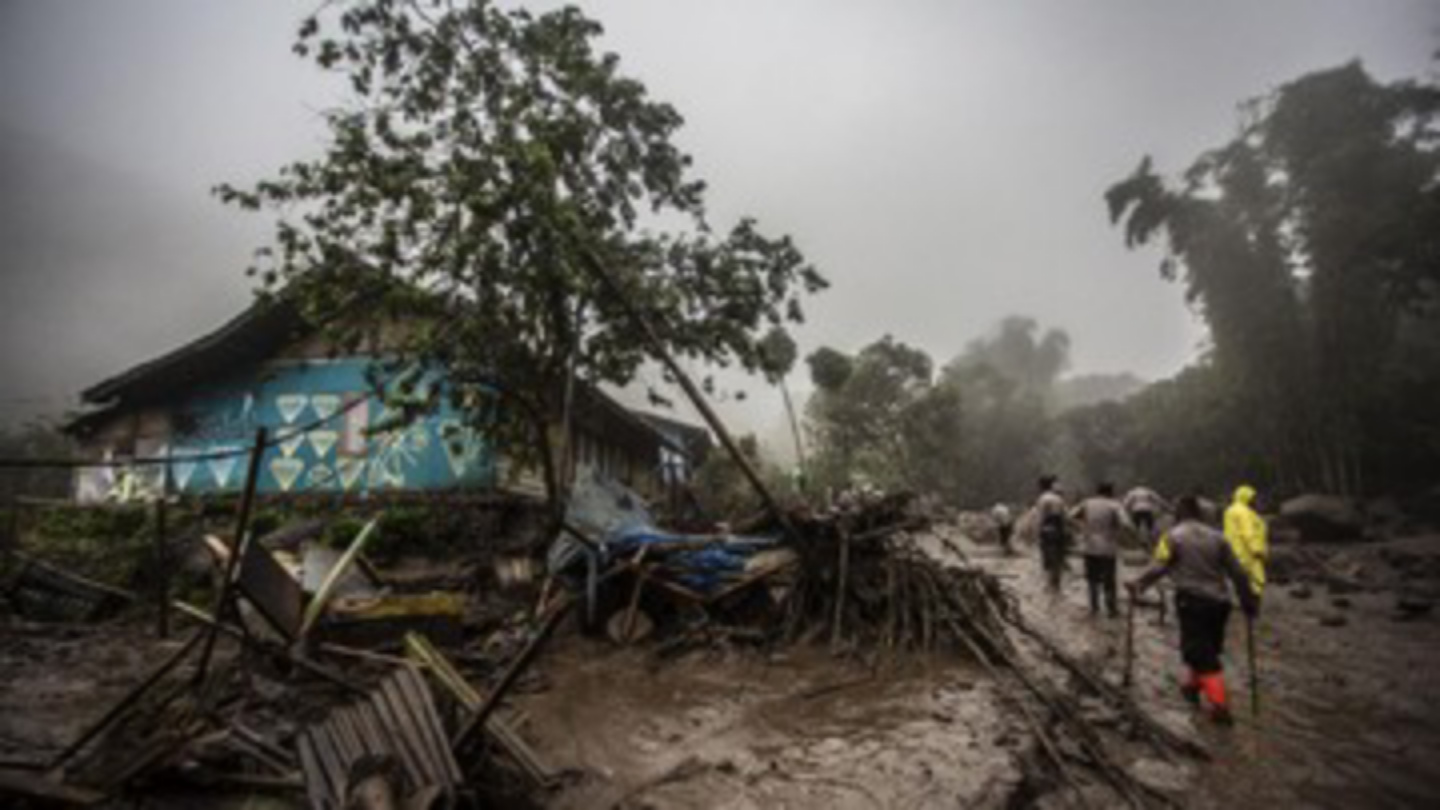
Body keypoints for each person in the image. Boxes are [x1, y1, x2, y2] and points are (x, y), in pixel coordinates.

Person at [1129, 495, 1258, 725]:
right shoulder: (1218, 537)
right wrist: (1248, 600)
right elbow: (1237, 572)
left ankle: (1220, 706)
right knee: (1207, 647)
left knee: (1200, 652)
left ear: (1179, 513)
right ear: (1198, 513)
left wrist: (1139, 584)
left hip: (1193, 601)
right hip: (1220, 602)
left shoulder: (1174, 536)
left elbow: (1160, 567)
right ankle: (1191, 687)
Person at [1071, 483, 1133, 617]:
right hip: (1108, 548)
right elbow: (1126, 524)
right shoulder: (1114, 505)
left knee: (1092, 579)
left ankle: (1094, 608)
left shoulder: (1087, 503)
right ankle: (1111, 609)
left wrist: (1082, 529)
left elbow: (1071, 516)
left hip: (1090, 547)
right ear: (1111, 493)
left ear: (1097, 491)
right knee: (1109, 580)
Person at [1224, 485, 1268, 605]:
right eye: (1253, 497)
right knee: (1254, 578)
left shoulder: (1231, 509)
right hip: (1247, 552)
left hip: (1234, 550)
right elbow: (1248, 532)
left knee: (1236, 578)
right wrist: (1257, 550)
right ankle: (1251, 603)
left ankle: (1238, 600)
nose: (1255, 500)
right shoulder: (1244, 512)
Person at [1034, 475, 1069, 592]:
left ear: (1042, 486)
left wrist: (1037, 533)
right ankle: (1056, 583)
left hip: (1047, 530)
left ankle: (1049, 584)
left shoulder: (1043, 499)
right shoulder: (1059, 499)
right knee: (1058, 557)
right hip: (1059, 530)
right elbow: (1065, 516)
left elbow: (1040, 518)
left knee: (1048, 558)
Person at [1123, 485, 1170, 550]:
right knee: (1150, 527)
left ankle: (1137, 543)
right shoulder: (1149, 491)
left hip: (1137, 510)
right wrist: (1167, 507)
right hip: (1147, 510)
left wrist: (1125, 509)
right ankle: (1153, 541)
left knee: (1136, 528)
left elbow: (1127, 502)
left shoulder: (1133, 492)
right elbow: (1158, 500)